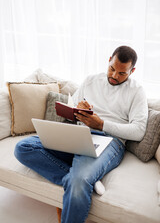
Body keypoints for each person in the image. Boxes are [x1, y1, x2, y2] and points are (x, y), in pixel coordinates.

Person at [14, 46, 148, 223]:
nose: (115, 76)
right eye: (112, 69)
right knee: (23, 147)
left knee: (79, 182)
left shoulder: (137, 91)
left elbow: (138, 131)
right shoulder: (91, 80)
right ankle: (85, 180)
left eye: (122, 73)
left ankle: (82, 180)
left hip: (109, 140)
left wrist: (102, 124)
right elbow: (71, 109)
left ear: (133, 71)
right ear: (109, 60)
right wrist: (78, 112)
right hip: (79, 133)